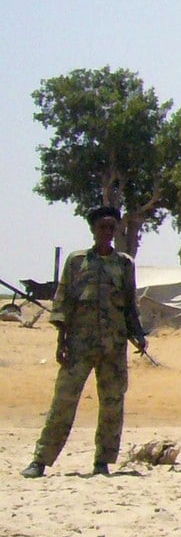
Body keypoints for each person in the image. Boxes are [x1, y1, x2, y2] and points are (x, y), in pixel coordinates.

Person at [21, 205, 149, 478]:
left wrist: (137, 333)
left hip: (113, 346)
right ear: (93, 230)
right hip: (79, 345)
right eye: (102, 227)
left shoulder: (124, 264)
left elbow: (129, 303)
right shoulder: (77, 261)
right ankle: (40, 460)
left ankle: (102, 461)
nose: (107, 232)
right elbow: (63, 300)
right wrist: (61, 341)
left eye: (111, 228)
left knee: (112, 403)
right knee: (63, 402)